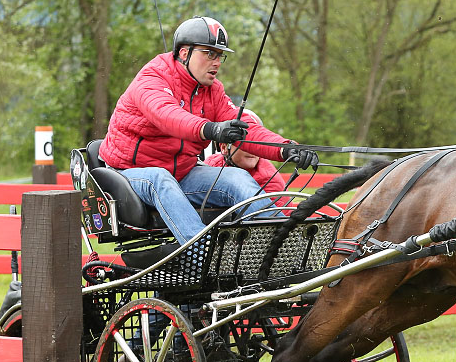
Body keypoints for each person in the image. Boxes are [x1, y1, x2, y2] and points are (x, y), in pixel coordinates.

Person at [98, 16, 318, 245]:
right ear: (185, 53)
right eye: (209, 53)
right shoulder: (152, 78)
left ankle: (279, 247)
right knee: (160, 179)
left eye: (219, 55)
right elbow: (168, 116)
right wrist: (211, 129)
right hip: (130, 173)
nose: (217, 62)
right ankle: (201, 253)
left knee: (236, 178)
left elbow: (244, 128)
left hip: (183, 173)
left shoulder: (212, 90)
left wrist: (286, 149)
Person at [203, 109, 293, 208]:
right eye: (245, 144)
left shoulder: (270, 180)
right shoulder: (211, 164)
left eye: (257, 146)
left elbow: (273, 219)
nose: (253, 151)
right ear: (224, 147)